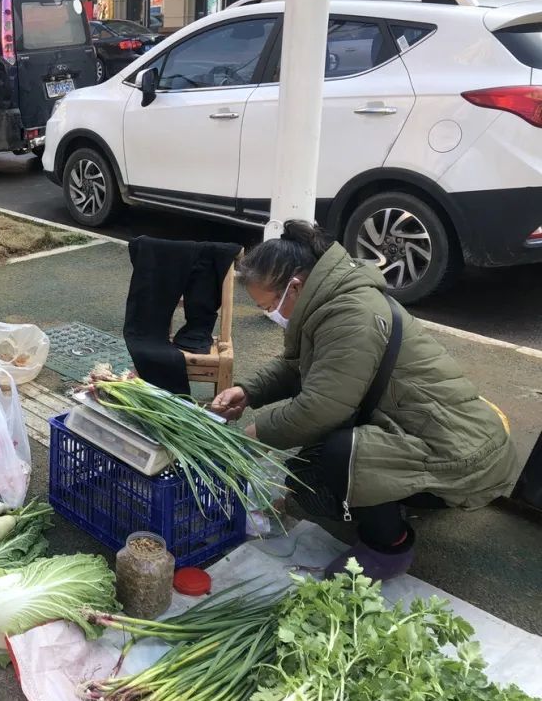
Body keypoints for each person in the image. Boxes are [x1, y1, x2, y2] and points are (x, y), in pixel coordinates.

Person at [211, 221, 520, 580]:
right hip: (427, 430)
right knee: (312, 472)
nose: (270, 314)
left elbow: (321, 407)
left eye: (268, 306)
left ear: (294, 287)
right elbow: (299, 368)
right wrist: (249, 392)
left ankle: (387, 548)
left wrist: (253, 436)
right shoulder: (329, 300)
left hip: (462, 453)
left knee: (342, 452)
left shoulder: (351, 315)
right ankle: (394, 494)